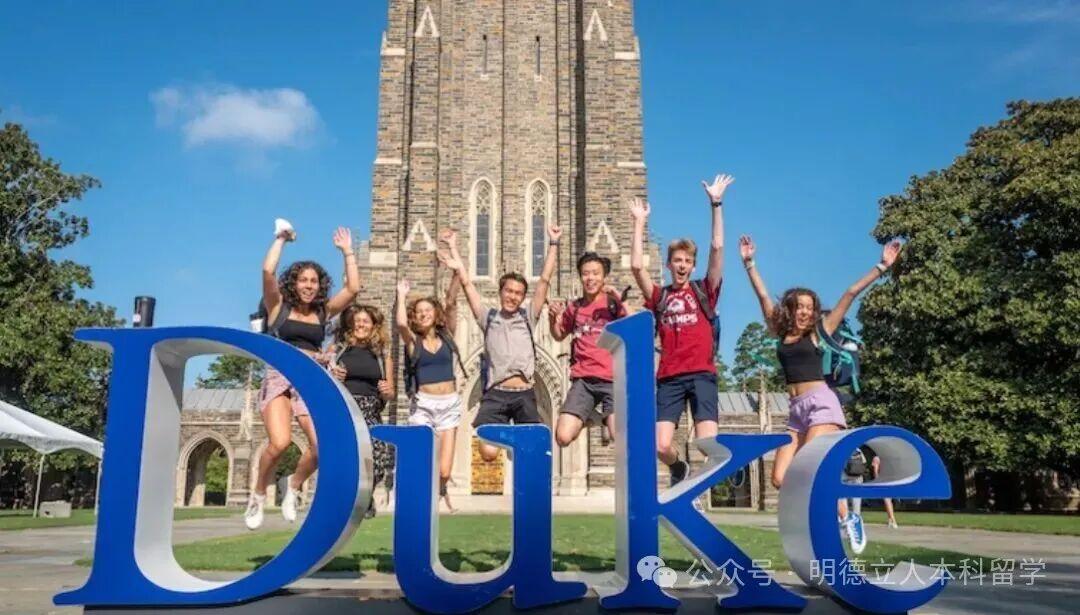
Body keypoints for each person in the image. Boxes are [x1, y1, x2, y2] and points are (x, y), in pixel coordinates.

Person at [739, 232, 901, 553]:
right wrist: (749, 263)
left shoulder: (819, 333)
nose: (804, 312)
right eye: (799, 307)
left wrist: (882, 266)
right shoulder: (780, 332)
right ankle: (838, 514)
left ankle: (847, 517)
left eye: (809, 308)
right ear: (790, 308)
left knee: (811, 466)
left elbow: (850, 293)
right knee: (780, 478)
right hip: (796, 411)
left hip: (822, 405)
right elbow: (762, 295)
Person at [247, 224, 361, 530]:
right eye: (303, 280)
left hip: (311, 380)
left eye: (313, 281)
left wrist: (347, 251)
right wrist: (281, 239)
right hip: (280, 377)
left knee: (323, 447)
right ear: (294, 283)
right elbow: (268, 272)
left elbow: (353, 289)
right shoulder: (278, 308)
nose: (309, 286)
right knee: (280, 443)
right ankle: (258, 493)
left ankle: (294, 486)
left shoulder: (323, 313)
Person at [629, 174, 733, 490]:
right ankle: (679, 468)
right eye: (677, 260)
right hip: (670, 378)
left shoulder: (705, 291)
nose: (682, 265)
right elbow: (636, 267)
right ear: (669, 264)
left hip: (701, 374)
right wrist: (639, 223)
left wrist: (716, 204)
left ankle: (712, 477)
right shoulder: (660, 297)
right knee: (660, 445)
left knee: (707, 444)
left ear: (693, 265)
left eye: (687, 260)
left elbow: (717, 247)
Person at [439, 225, 560, 462]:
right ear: (501, 292)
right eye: (508, 291)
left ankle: (519, 445)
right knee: (487, 452)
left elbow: (544, 280)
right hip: (496, 393)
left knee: (531, 453)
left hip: (524, 393)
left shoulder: (528, 317)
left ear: (523, 297)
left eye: (518, 293)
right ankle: (511, 441)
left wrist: (554, 243)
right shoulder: (488, 317)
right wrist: (453, 249)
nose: (512, 296)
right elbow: (468, 285)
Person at [395, 232, 466, 510]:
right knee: (421, 459)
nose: (423, 314)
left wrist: (456, 270)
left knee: (445, 470)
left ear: (435, 315)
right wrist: (402, 295)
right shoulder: (414, 343)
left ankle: (441, 489)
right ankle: (416, 500)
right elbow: (401, 325)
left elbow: (451, 301)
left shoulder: (448, 337)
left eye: (428, 310)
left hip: (449, 404)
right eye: (419, 311)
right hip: (424, 405)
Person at [549, 253, 627, 447]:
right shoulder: (574, 308)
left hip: (612, 379)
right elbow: (559, 334)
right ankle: (592, 416)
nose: (590, 278)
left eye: (595, 273)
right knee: (562, 437)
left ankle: (607, 419)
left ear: (604, 276)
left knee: (620, 437)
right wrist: (552, 319)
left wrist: (620, 299)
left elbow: (635, 325)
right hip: (583, 381)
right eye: (585, 274)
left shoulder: (612, 305)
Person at [329, 304, 395, 518]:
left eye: (365, 321)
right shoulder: (339, 350)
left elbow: (390, 393)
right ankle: (347, 500)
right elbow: (325, 377)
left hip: (371, 410)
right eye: (357, 321)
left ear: (374, 326)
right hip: (345, 408)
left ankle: (366, 496)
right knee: (348, 458)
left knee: (379, 459)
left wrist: (387, 391)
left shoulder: (382, 355)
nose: (360, 324)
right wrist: (333, 375)